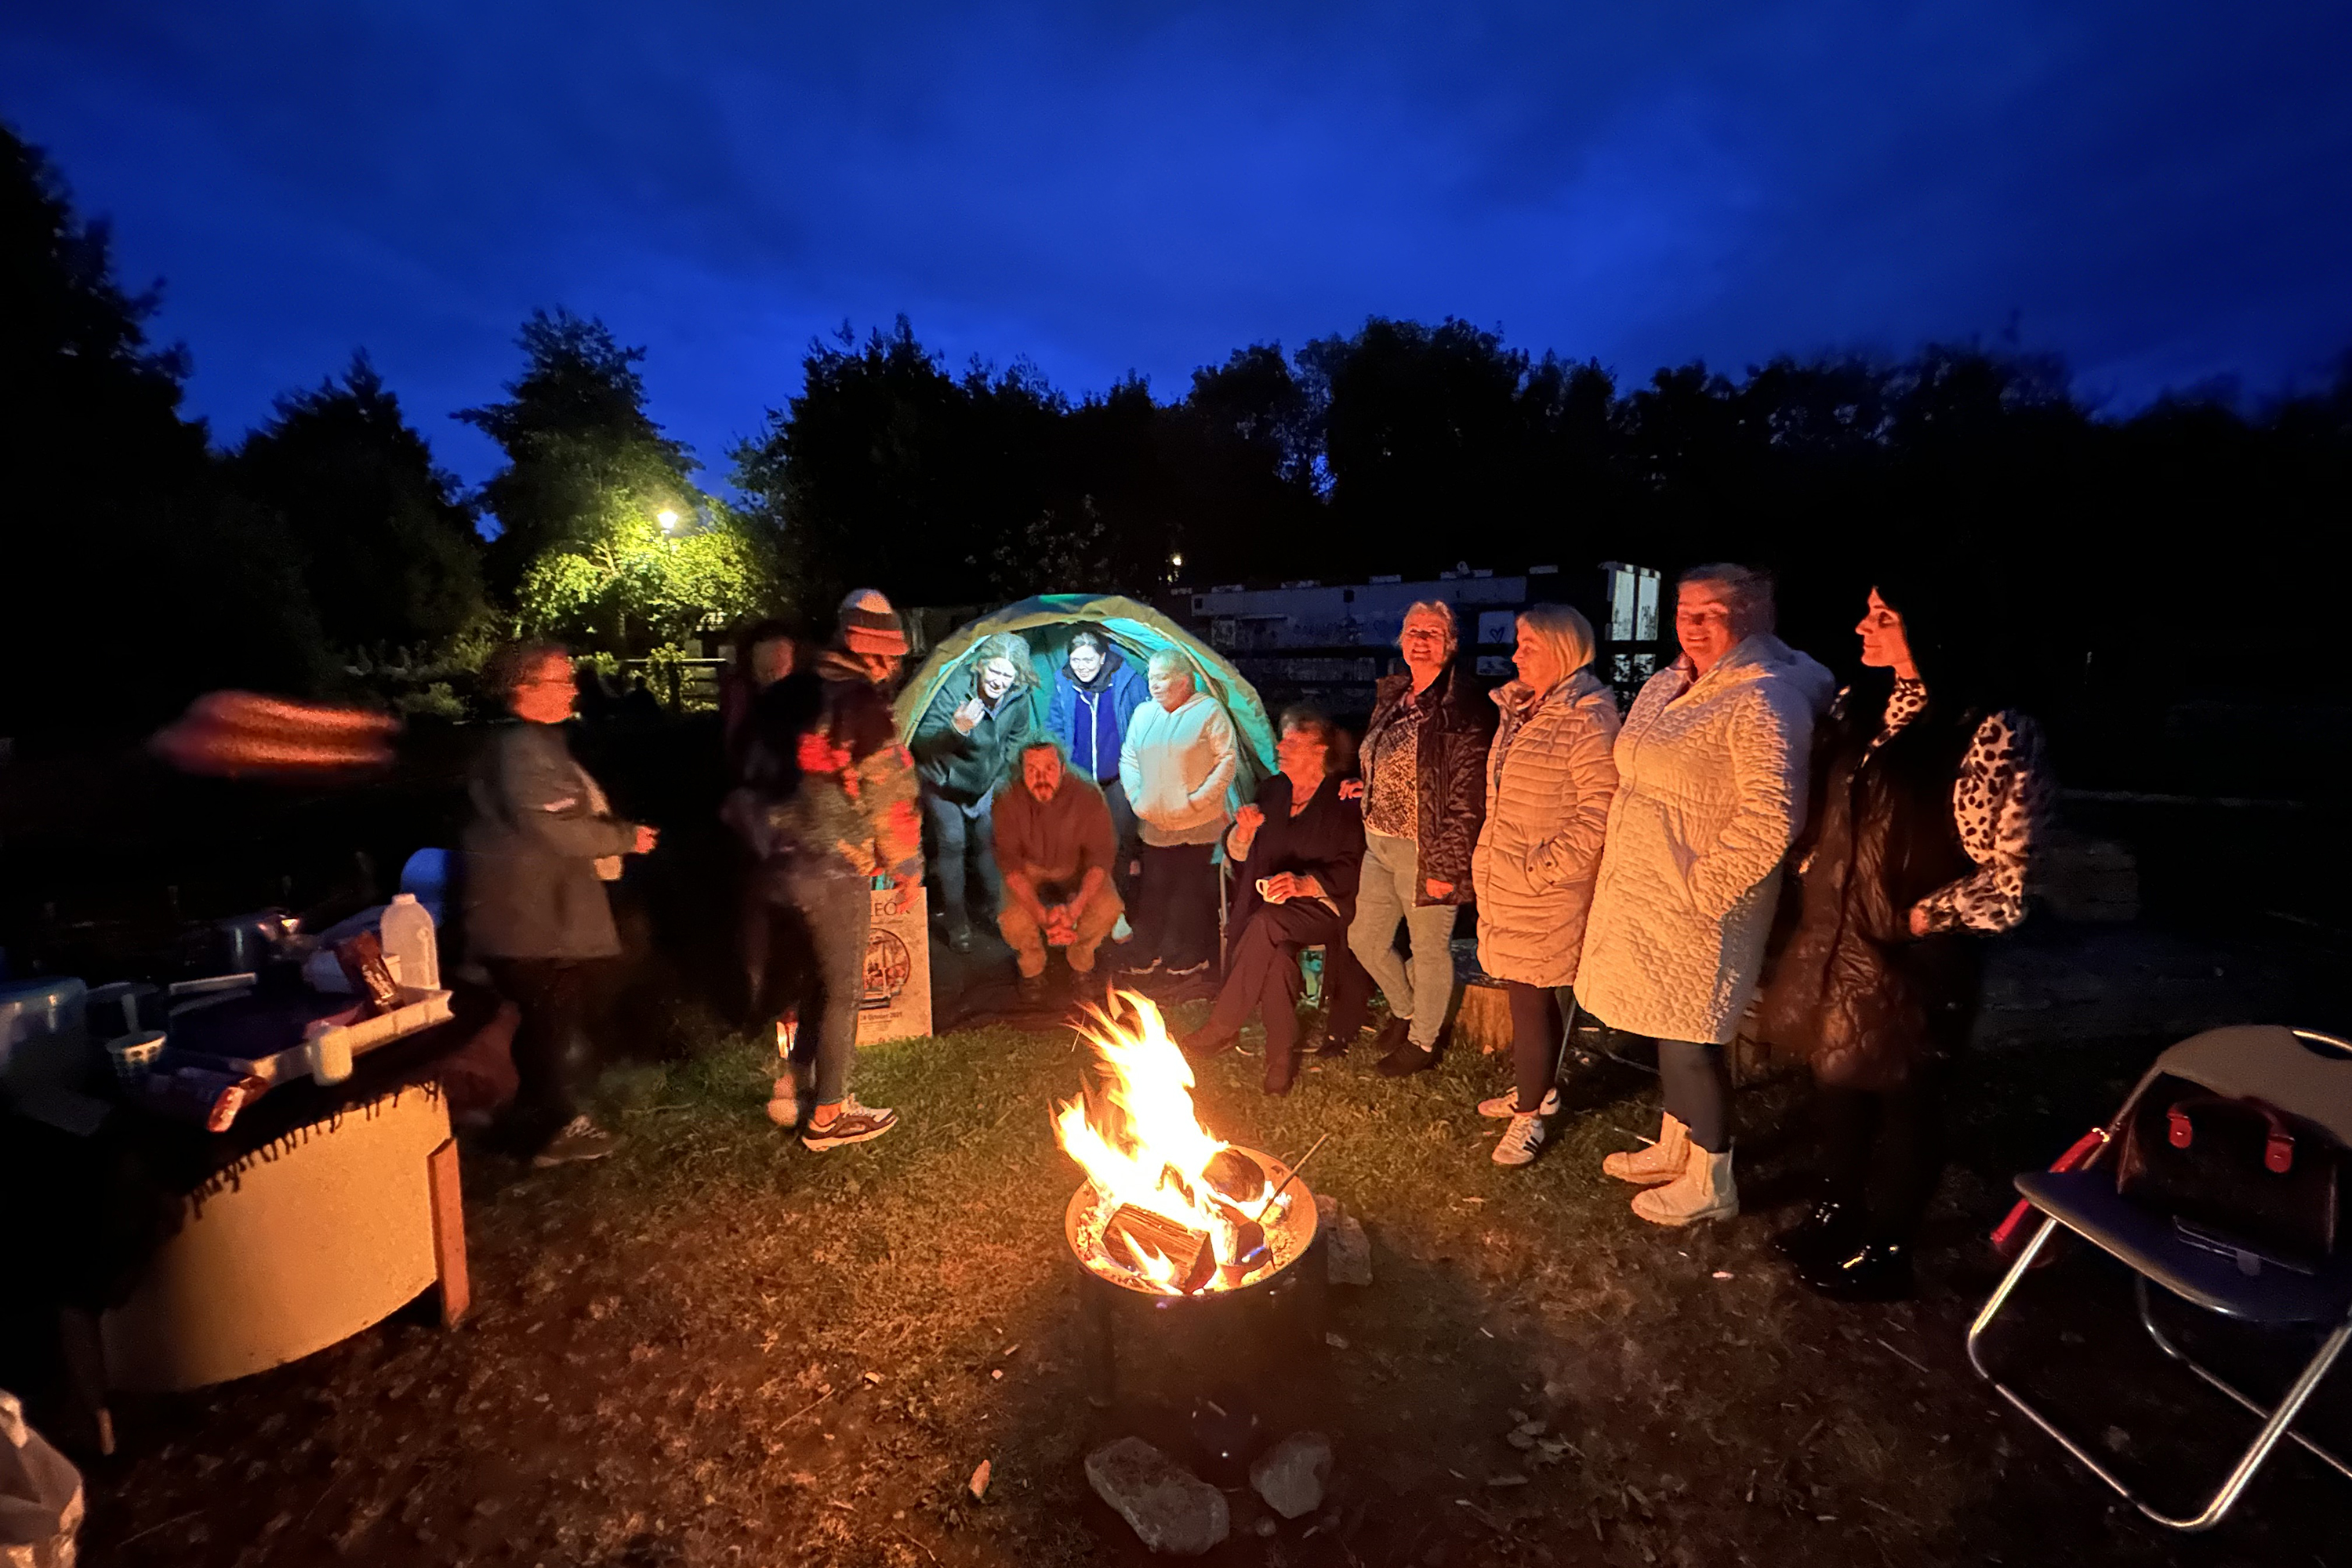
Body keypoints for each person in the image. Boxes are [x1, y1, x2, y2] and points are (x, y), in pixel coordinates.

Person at [1755, 572, 2052, 1299]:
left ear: (1932, 627)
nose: (1862, 628)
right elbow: (1829, 805)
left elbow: (2013, 874)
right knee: (1835, 1079)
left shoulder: (1990, 729)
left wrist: (1925, 917)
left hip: (1916, 953)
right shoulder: (1865, 707)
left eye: (1882, 615)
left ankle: (1887, 1248)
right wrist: (1812, 866)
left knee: (1908, 1097)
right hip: (1839, 935)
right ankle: (1837, 1209)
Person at [1579, 564, 1835, 1225]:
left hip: (1703, 905)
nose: (1691, 626)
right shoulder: (1672, 682)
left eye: (1710, 614)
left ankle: (1712, 1179)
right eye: (1684, 611)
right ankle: (1676, 1146)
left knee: (1694, 1038)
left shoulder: (1763, 699)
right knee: (1669, 1027)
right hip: (1647, 891)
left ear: (1751, 616)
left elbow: (1774, 814)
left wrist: (1702, 891)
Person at [463, 640, 659, 1167]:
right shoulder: (518, 749)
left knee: (549, 1018)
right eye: (562, 679)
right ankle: (547, 1130)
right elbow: (550, 824)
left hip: (541, 913)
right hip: (529, 916)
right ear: (524, 688)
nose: (574, 688)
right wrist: (623, 837)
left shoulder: (533, 744)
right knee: (547, 1021)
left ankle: (538, 1121)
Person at [742, 588, 922, 1151]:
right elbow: (888, 792)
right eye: (892, 657)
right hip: (833, 866)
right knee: (844, 989)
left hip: (775, 863)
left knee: (814, 981)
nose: (894, 667)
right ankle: (830, 1114)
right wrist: (908, 862)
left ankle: (792, 1085)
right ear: (874, 652)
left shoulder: (787, 693)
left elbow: (749, 771)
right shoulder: (860, 705)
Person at [1468, 605, 1621, 1167]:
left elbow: (1599, 811)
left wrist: (1542, 869)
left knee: (1533, 997)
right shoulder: (1524, 710)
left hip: (1543, 887)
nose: (1515, 655)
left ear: (1562, 649)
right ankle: (1537, 1088)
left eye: (1528, 645)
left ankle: (1530, 1116)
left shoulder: (1586, 718)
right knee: (1522, 990)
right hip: (1509, 877)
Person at [1185, 709, 1367, 1094]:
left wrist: (1304, 884)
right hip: (1271, 908)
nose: (1280, 746)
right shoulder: (1273, 790)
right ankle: (1280, 1060)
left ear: (1320, 751)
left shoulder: (1343, 796)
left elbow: (1353, 867)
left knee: (1267, 924)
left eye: (1292, 741)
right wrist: (1244, 833)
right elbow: (1237, 856)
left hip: (1323, 905)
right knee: (1278, 955)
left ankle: (1222, 1026)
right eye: (1282, 737)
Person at [1348, 601, 1494, 1077]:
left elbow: (1467, 798)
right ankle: (1409, 1009)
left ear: (1450, 644)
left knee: (1429, 949)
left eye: (1433, 632)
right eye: (1413, 630)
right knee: (1364, 940)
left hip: (1425, 849)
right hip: (1379, 841)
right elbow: (1390, 757)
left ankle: (1423, 1041)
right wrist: (1365, 783)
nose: (1420, 639)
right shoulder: (1396, 694)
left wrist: (1446, 868)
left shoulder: (1462, 708)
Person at [1117, 648, 1239, 982]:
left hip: (1198, 824)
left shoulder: (1208, 712)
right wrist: (1136, 798)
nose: (1154, 685)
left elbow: (1227, 760)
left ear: (1184, 680)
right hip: (1155, 823)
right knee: (1154, 890)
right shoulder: (1144, 714)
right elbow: (1129, 755)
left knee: (1189, 893)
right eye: (1151, 678)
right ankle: (1148, 952)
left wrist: (1199, 801)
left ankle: (1186, 957)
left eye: (1162, 678)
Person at [912, 633, 1037, 952]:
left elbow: (1019, 737)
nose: (999, 681)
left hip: (984, 781)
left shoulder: (1019, 695)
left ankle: (999, 914)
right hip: (943, 779)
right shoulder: (954, 687)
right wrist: (957, 729)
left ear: (1018, 677)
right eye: (994, 671)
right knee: (952, 842)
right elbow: (922, 740)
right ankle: (957, 922)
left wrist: (1000, 774)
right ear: (980, 666)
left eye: (1007, 675)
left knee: (988, 842)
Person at [993, 739, 1123, 1002]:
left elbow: (1100, 859)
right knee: (1012, 917)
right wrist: (1043, 916)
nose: (1041, 777)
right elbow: (1011, 866)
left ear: (1063, 768)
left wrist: (1074, 910)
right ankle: (1032, 968)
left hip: (1076, 865)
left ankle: (1081, 961)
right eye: (1032, 770)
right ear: (1021, 771)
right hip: (1029, 867)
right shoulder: (1006, 796)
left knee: (1109, 906)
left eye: (1049, 768)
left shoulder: (1086, 793)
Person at [1044, 629, 1149, 893]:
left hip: (1117, 778)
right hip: (1079, 780)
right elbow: (1055, 726)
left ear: (1103, 658)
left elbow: (1147, 720)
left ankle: (1117, 905)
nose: (1082, 668)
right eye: (1076, 661)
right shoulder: (1064, 684)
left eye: (1088, 660)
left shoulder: (1127, 681)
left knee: (1120, 843)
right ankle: (1084, 903)